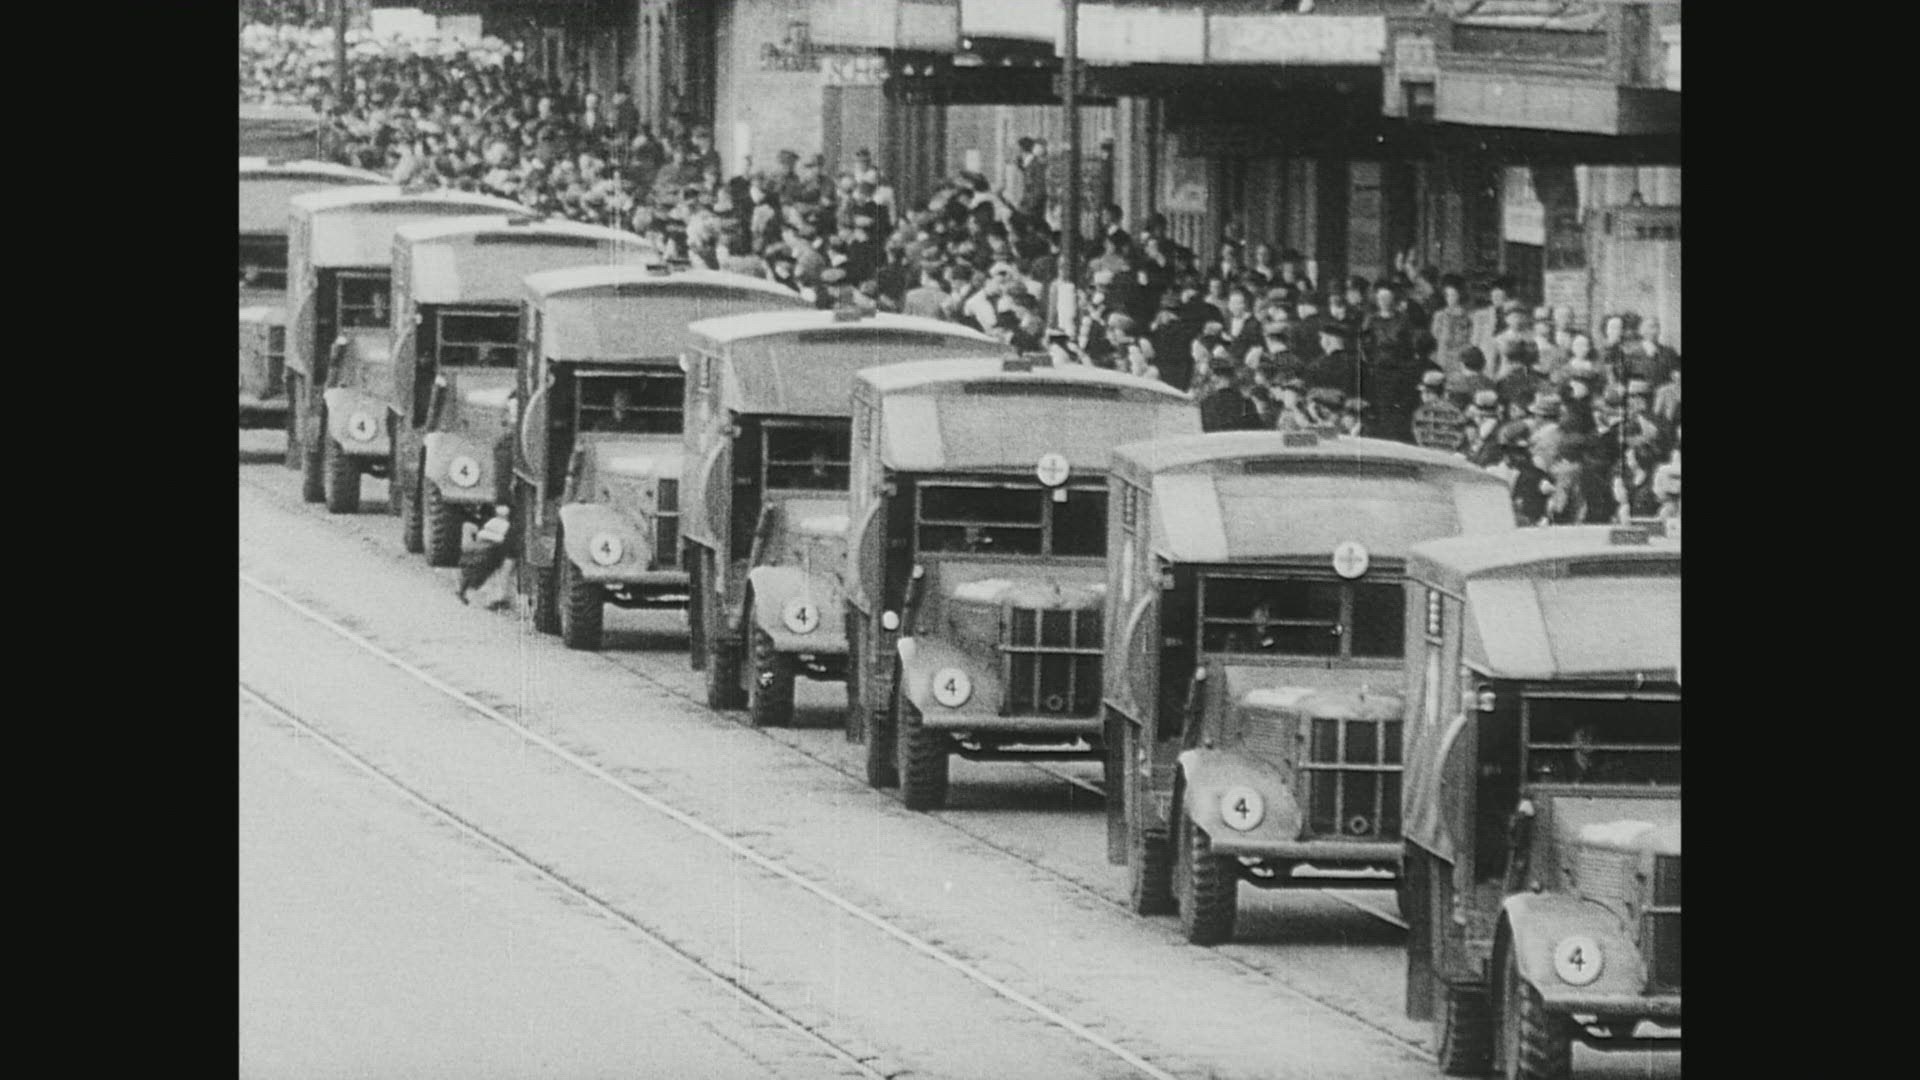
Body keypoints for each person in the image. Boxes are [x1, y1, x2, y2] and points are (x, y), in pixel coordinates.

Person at [457, 505, 516, 608]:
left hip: (489, 550)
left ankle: (493, 597)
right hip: (488, 550)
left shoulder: (498, 525)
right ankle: (493, 597)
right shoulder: (496, 524)